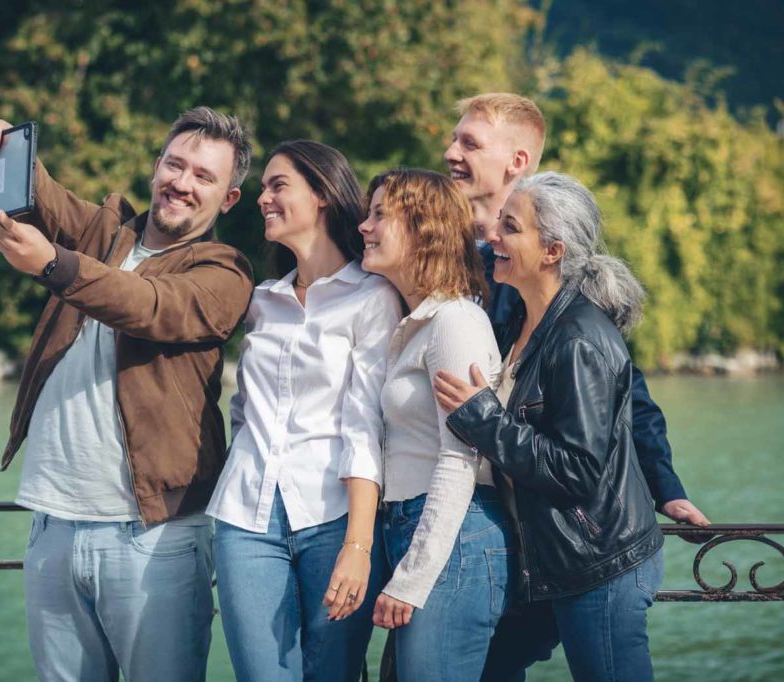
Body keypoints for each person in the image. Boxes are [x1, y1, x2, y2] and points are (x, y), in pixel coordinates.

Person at [0, 107, 254, 682]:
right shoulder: (106, 231)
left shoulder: (226, 271)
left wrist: (51, 263)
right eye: (175, 164)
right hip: (52, 524)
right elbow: (42, 193)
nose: (182, 183)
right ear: (155, 168)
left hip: (153, 537)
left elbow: (146, 304)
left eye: (204, 176)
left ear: (229, 200)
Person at [441, 92, 709, 680]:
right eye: (453, 139)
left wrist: (663, 485)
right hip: (512, 534)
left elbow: (622, 399)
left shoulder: (565, 299)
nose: (450, 152)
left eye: (468, 143)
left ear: (517, 160)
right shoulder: (443, 241)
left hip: (580, 544)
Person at [207, 140, 401, 681]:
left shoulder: (373, 298)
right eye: (263, 187)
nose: (262, 198)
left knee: (333, 674)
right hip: (245, 516)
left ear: (321, 194)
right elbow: (242, 410)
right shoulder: (261, 300)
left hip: (334, 518)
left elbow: (366, 430)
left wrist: (358, 547)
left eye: (277, 185)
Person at [360, 168, 514, 682]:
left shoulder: (455, 322)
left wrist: (412, 577)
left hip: (456, 537)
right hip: (417, 529)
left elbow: (460, 459)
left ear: (425, 229)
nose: (365, 226)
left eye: (381, 214)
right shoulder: (417, 322)